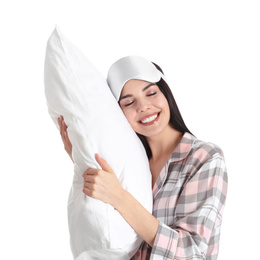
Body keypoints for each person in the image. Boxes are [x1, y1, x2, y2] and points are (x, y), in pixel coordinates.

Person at [58, 56, 228, 260]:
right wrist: (83, 160)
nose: (144, 106)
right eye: (129, 102)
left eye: (151, 93)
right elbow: (112, 229)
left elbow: (192, 252)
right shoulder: (130, 164)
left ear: (166, 94)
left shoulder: (203, 158)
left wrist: (119, 197)